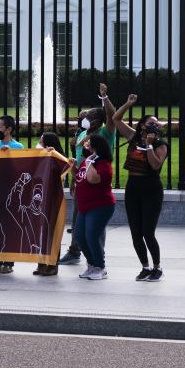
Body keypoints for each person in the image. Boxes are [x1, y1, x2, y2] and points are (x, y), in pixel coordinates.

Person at [59, 84, 119, 266]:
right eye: (85, 117)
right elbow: (78, 158)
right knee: (79, 219)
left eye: (90, 117)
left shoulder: (105, 132)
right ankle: (75, 250)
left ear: (99, 119)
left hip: (97, 180)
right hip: (81, 181)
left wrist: (104, 97)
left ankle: (97, 255)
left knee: (96, 222)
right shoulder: (83, 134)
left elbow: (112, 115)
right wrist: (74, 180)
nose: (85, 119)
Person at [114, 93, 168, 282]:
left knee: (147, 231)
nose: (155, 125)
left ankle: (157, 267)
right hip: (133, 187)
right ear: (143, 125)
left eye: (157, 123)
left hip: (151, 189)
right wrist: (128, 103)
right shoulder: (133, 136)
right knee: (135, 232)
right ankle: (145, 266)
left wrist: (149, 146)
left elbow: (155, 166)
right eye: (151, 123)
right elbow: (116, 119)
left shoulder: (161, 145)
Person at [74, 133, 116, 281]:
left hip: (100, 206)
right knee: (79, 236)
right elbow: (80, 178)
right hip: (85, 206)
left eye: (88, 143)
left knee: (92, 236)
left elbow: (92, 179)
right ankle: (91, 265)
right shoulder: (88, 161)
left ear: (95, 147)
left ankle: (100, 267)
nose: (85, 145)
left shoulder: (103, 164)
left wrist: (89, 162)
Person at [32, 131, 72, 276]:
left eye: (41, 140)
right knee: (40, 233)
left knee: (52, 232)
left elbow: (66, 166)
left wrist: (52, 154)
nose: (39, 142)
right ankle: (41, 263)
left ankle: (52, 265)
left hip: (53, 199)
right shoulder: (40, 155)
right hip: (39, 199)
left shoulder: (56, 157)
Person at [0, 115, 23, 274]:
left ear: (9, 129)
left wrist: (9, 154)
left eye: (0, 127)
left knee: (9, 226)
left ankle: (8, 262)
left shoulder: (18, 147)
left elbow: (20, 168)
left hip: (10, 191)